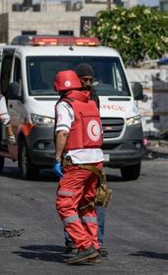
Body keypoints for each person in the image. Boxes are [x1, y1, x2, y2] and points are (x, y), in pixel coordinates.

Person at [53, 70, 104, 264]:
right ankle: (94, 245)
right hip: (96, 162)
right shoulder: (90, 102)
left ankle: (84, 246)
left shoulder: (65, 105)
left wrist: (57, 158)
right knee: (86, 204)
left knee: (65, 204)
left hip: (77, 161)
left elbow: (63, 133)